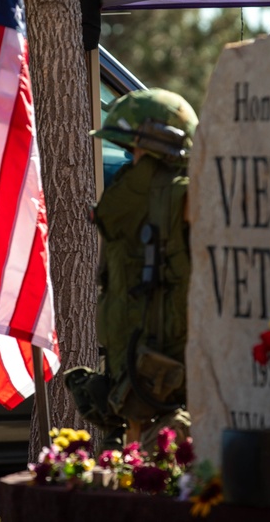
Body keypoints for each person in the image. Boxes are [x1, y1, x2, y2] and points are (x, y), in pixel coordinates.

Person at [65, 88, 198, 451]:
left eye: (134, 150)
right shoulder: (135, 203)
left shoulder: (183, 199)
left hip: (165, 379)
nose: (130, 159)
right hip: (139, 376)